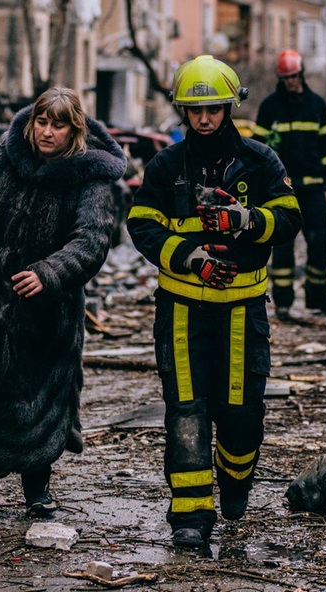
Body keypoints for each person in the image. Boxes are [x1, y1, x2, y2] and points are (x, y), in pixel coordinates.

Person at [127, 54, 302, 548]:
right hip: (182, 313)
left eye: (214, 110)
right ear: (183, 112)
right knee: (186, 411)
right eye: (195, 112)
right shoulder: (165, 166)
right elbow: (141, 225)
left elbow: (289, 218)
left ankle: (235, 483)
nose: (204, 120)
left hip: (244, 315)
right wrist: (191, 258)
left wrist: (246, 220)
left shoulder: (261, 161)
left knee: (242, 413)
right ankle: (190, 517)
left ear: (229, 107)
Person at [0, 87, 126, 516]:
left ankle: (37, 487)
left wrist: (49, 273)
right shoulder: (8, 155)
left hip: (48, 312)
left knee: (38, 398)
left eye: (58, 125)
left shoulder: (90, 176)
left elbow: (93, 240)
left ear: (75, 129)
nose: (47, 132)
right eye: (41, 122)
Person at [253, 49, 326, 317]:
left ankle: (317, 298)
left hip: (313, 188)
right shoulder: (270, 108)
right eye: (286, 77)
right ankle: (284, 303)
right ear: (281, 77)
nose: (291, 81)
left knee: (320, 243)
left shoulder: (317, 106)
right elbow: (258, 151)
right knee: (282, 247)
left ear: (301, 74)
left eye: (294, 76)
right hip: (282, 190)